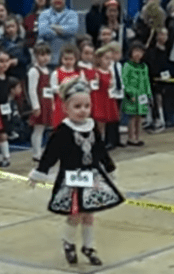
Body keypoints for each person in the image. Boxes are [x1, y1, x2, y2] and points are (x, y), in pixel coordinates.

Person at [28, 77, 124, 266]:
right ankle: (69, 242)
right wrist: (40, 172)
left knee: (89, 213)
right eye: (77, 106)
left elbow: (100, 150)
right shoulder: (63, 131)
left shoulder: (92, 126)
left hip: (92, 176)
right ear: (66, 108)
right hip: (72, 178)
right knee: (75, 213)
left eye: (86, 106)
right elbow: (51, 154)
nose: (83, 110)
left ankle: (89, 246)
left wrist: (109, 167)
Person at [122, 41, 152, 146]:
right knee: (132, 117)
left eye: (140, 52)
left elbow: (147, 81)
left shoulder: (144, 67)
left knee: (140, 117)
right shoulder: (127, 66)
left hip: (142, 95)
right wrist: (130, 93)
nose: (138, 54)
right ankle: (131, 138)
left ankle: (138, 137)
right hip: (132, 95)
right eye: (136, 51)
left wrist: (148, 94)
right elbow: (125, 81)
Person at [28, 42, 53, 162]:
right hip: (40, 103)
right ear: (36, 56)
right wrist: (36, 106)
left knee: (43, 129)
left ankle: (40, 150)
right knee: (38, 129)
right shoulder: (34, 71)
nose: (45, 58)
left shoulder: (48, 70)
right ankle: (36, 153)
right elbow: (32, 90)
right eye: (42, 55)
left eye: (47, 54)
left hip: (47, 102)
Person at [38, 0, 79, 67]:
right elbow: (43, 32)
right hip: (49, 61)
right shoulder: (43, 14)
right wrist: (63, 32)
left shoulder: (73, 14)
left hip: (69, 61)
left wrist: (52, 26)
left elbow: (72, 30)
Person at [91, 44, 119, 141]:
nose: (109, 62)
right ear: (99, 59)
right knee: (98, 125)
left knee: (104, 125)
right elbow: (94, 87)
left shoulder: (110, 72)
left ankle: (101, 143)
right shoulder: (96, 72)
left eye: (110, 59)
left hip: (107, 99)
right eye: (106, 58)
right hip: (98, 99)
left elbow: (111, 85)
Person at [144, 28, 169, 133]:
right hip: (152, 77)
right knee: (151, 99)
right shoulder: (152, 50)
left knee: (159, 99)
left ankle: (161, 121)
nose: (162, 37)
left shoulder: (168, 50)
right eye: (160, 34)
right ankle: (151, 120)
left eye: (164, 35)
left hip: (162, 78)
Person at [50, 44, 80, 129]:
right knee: (59, 127)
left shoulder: (78, 74)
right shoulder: (56, 73)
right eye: (66, 59)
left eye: (71, 59)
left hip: (74, 104)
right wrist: (64, 87)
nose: (68, 61)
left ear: (75, 60)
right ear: (61, 59)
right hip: (60, 104)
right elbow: (53, 88)